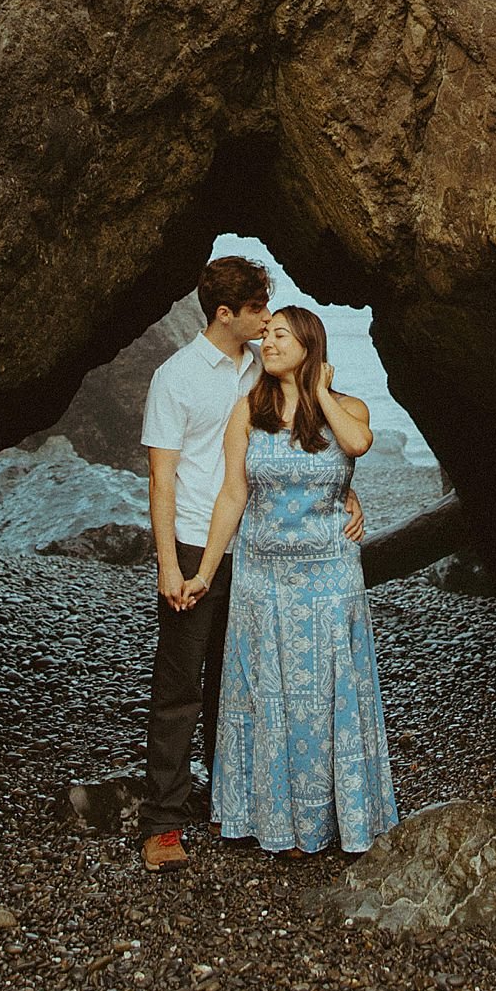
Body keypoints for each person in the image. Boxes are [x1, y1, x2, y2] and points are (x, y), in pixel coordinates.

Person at [139, 257, 364, 871]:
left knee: (238, 685)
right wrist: (168, 565)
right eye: (261, 311)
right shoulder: (176, 378)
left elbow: (305, 442)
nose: (269, 322)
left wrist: (343, 489)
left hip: (256, 550)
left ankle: (231, 803)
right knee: (181, 685)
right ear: (225, 314)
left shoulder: (261, 370)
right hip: (192, 543)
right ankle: (163, 822)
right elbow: (161, 478)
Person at [184, 304, 398, 857]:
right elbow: (234, 494)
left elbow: (357, 445)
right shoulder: (247, 412)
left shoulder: (347, 407)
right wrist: (206, 570)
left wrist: (321, 393)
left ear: (309, 345)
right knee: (266, 697)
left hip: (329, 579)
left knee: (325, 697)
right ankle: (266, 818)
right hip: (262, 578)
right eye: (268, 333)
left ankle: (332, 821)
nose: (268, 343)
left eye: (281, 335)